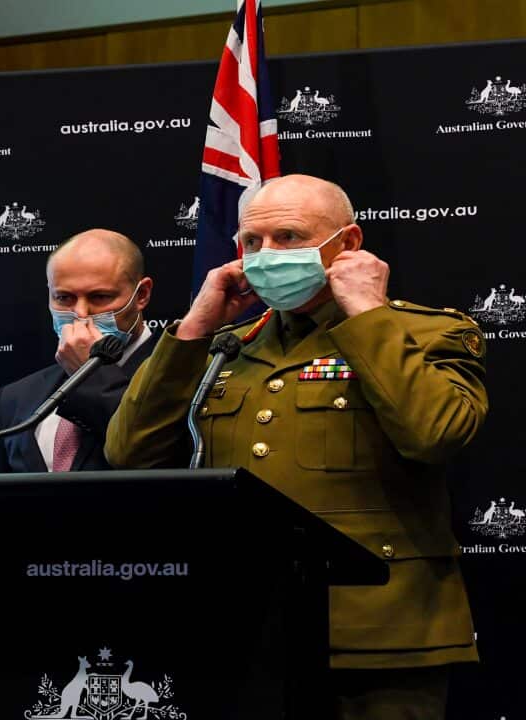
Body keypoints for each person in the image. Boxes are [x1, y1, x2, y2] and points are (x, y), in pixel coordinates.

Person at [105, 175, 486, 719]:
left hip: (379, 637)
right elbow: (130, 453)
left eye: (289, 237)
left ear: (348, 245)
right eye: (253, 243)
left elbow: (436, 435)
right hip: (246, 630)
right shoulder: (226, 345)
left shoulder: (425, 335)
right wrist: (195, 326)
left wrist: (368, 316)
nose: (268, 256)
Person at [0, 229, 155, 473]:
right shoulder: (16, 397)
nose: (81, 313)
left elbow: (150, 451)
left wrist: (88, 374)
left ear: (141, 295)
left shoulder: (181, 373)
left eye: (99, 297)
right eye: (64, 297)